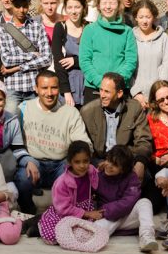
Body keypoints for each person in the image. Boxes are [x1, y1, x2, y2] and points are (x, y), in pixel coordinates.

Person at [16, 70, 92, 214]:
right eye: (44, 88)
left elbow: (83, 143)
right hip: (34, 161)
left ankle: (66, 213)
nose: (49, 93)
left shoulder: (70, 112)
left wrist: (75, 162)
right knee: (22, 179)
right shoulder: (24, 109)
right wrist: (26, 160)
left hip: (61, 163)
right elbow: (14, 142)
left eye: (54, 88)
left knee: (76, 175)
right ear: (36, 88)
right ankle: (28, 211)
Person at [80, 72, 152, 181]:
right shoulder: (88, 111)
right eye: (101, 90)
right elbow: (82, 145)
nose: (102, 95)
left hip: (125, 160)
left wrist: (140, 162)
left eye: (107, 92)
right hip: (98, 160)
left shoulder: (134, 108)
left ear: (119, 93)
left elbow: (143, 139)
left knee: (146, 177)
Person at [0, 0, 51, 117]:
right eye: (17, 6)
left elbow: (47, 58)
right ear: (12, 5)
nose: (21, 10)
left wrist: (18, 67)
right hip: (13, 87)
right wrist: (32, 55)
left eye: (25, 6)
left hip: (33, 87)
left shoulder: (37, 27)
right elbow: (6, 60)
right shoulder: (3, 29)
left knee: (34, 123)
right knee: (10, 122)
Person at [79, 0, 137, 103]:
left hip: (119, 89)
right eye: (104, 3)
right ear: (98, 6)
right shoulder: (89, 30)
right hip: (94, 88)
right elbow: (85, 61)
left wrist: (116, 82)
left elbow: (131, 60)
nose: (108, 7)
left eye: (112, 3)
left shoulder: (127, 31)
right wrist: (101, 82)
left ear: (119, 5)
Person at [33, 140, 98, 244]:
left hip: (85, 210)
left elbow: (98, 178)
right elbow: (63, 208)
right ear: (70, 162)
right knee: (52, 237)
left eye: (85, 161)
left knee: (87, 234)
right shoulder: (62, 182)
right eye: (77, 162)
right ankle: (36, 226)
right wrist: (87, 214)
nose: (82, 165)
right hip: (65, 213)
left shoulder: (91, 172)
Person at [94, 145, 157, 252]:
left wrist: (105, 211)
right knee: (95, 232)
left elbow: (128, 202)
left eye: (115, 165)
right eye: (108, 160)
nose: (109, 166)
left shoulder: (132, 178)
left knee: (144, 202)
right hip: (107, 218)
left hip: (124, 216)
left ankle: (146, 237)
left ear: (123, 169)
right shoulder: (98, 174)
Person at [129, 0, 168, 105]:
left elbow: (166, 65)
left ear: (153, 17)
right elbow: (128, 66)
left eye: (148, 17)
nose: (144, 21)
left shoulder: (163, 38)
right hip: (136, 97)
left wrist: (159, 92)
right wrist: (135, 92)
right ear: (136, 18)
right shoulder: (130, 37)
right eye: (141, 17)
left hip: (158, 97)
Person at [52, 0, 88, 107]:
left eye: (77, 7)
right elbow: (58, 61)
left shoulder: (89, 27)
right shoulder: (60, 27)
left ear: (83, 8)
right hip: (68, 82)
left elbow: (96, 57)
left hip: (87, 82)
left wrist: (75, 61)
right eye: (70, 7)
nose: (73, 11)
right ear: (65, 9)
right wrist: (66, 92)